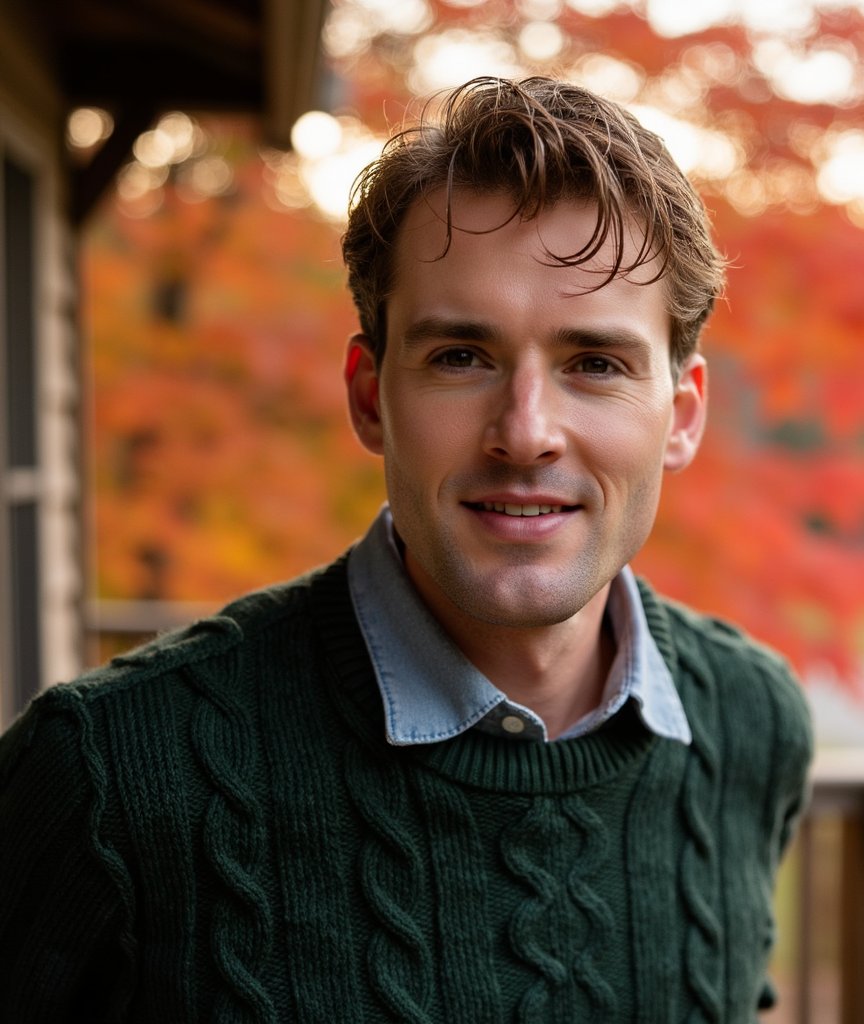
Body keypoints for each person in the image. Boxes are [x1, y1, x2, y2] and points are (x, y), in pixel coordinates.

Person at [0, 76, 812, 1021]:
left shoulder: (753, 723)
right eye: (461, 356)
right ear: (368, 394)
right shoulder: (102, 776)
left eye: (595, 363)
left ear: (681, 416)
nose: (526, 432)